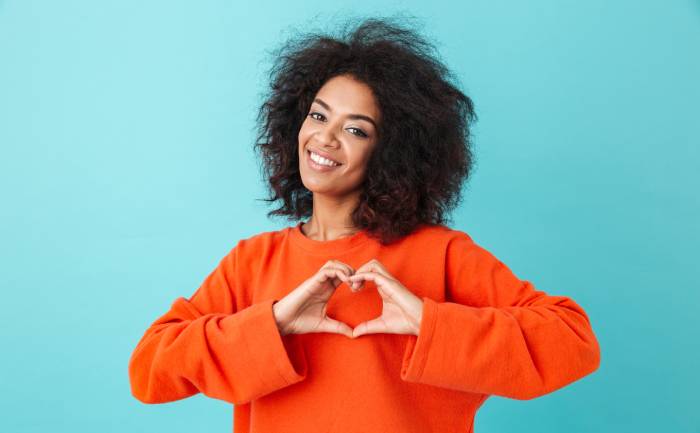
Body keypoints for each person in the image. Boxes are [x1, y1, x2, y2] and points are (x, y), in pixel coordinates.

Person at [128, 16, 601, 433]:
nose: (325, 138)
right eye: (318, 115)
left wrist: (428, 323)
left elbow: (572, 341)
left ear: (392, 152)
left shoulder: (442, 254)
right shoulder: (252, 262)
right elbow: (149, 370)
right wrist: (272, 324)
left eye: (356, 129)